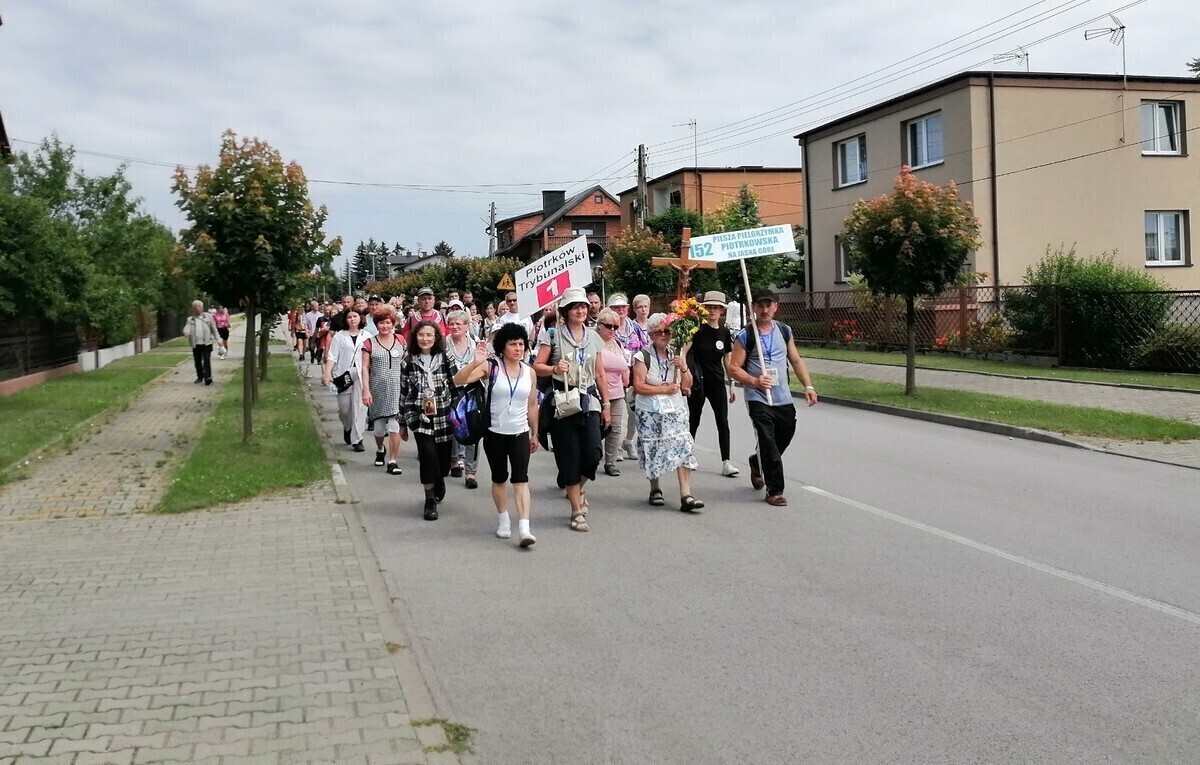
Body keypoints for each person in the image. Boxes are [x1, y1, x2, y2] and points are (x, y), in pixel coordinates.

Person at [728, 289, 819, 507]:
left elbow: (796, 360)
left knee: (785, 434)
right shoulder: (746, 336)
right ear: (754, 308)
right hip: (758, 397)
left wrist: (808, 385)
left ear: (776, 306)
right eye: (760, 305)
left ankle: (757, 462)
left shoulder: (784, 331)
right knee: (768, 441)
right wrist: (755, 381)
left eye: (769, 305)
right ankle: (775, 489)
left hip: (782, 396)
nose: (765, 310)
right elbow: (733, 368)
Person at [454, 322, 539, 546]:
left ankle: (524, 528)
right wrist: (475, 362)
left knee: (521, 480)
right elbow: (458, 380)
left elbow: (532, 404)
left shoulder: (529, 372)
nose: (518, 348)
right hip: (494, 432)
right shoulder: (491, 367)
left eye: (521, 344)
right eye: (513, 344)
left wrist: (535, 432)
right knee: (499, 478)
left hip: (520, 432)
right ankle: (503, 520)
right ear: (503, 346)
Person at [533, 287, 608, 533]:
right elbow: (537, 366)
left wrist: (607, 405)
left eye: (584, 306)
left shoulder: (594, 337)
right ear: (565, 311)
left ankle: (578, 485)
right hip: (564, 402)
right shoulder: (553, 336)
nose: (581, 310)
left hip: (589, 400)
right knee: (570, 456)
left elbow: (599, 373)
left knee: (594, 453)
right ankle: (576, 510)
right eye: (575, 306)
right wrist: (554, 369)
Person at [632, 313, 704, 513]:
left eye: (667, 331)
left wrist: (684, 368)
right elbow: (638, 386)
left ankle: (686, 495)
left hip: (675, 408)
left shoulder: (676, 353)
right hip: (650, 410)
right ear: (652, 335)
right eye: (659, 332)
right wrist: (663, 389)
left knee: (683, 445)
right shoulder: (642, 356)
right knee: (653, 446)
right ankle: (655, 488)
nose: (664, 335)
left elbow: (687, 384)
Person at [399, 321, 456, 521]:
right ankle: (429, 499)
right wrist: (402, 422)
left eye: (429, 335)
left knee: (442, 460)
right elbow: (404, 392)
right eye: (421, 335)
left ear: (436, 338)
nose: (425, 339)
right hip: (419, 416)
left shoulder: (445, 358)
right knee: (427, 456)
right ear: (415, 337)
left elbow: (455, 383)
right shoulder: (408, 361)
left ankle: (439, 479)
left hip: (443, 415)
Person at [687, 291, 739, 477]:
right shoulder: (697, 330)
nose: (712, 311)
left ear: (722, 311)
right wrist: (684, 376)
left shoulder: (724, 333)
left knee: (722, 421)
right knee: (694, 419)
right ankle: (689, 454)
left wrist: (732, 383)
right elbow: (685, 352)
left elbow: (727, 359)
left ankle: (726, 462)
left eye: (716, 307)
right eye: (709, 307)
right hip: (698, 382)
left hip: (717, 382)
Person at [359, 306, 406, 475]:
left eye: (388, 323)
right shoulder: (369, 343)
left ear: (393, 324)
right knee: (379, 429)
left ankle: (393, 460)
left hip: (397, 389)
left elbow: (407, 364)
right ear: (376, 324)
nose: (384, 326)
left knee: (394, 426)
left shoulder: (401, 340)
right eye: (381, 323)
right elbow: (364, 368)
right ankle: (380, 449)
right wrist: (366, 390)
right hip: (377, 389)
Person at [321, 306, 368, 452]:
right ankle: (347, 427)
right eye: (349, 317)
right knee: (344, 409)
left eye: (355, 316)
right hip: (342, 374)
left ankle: (358, 439)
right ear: (345, 320)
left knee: (359, 408)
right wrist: (327, 373)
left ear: (360, 318)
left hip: (361, 374)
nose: (352, 319)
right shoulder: (340, 336)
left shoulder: (367, 336)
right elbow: (333, 356)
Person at [443, 309, 481, 489]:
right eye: (452, 323)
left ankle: (471, 472)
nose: (455, 326)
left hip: (472, 390)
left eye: (459, 323)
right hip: (450, 391)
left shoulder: (475, 345)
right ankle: (453, 460)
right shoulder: (443, 345)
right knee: (453, 427)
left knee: (473, 428)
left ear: (467, 326)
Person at [595, 308, 629, 477]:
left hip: (617, 392)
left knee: (614, 429)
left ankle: (611, 461)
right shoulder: (594, 342)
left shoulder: (617, 344)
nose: (612, 330)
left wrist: (626, 377)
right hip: (597, 393)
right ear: (599, 325)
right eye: (608, 325)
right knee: (596, 429)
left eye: (615, 326)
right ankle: (590, 457)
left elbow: (623, 365)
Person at [621, 294, 654, 461]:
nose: (643, 309)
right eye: (640, 307)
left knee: (649, 409)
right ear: (634, 309)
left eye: (645, 306)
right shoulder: (631, 327)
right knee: (633, 409)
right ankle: (630, 440)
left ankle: (634, 441)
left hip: (651, 370)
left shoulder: (654, 325)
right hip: (635, 369)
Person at [184, 299, 218, 385]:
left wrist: (219, 339)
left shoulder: (209, 317)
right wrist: (186, 332)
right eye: (195, 307)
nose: (197, 308)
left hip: (207, 342)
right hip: (196, 344)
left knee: (206, 359)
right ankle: (200, 376)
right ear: (193, 309)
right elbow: (186, 327)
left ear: (202, 308)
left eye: (199, 306)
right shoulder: (190, 319)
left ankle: (208, 378)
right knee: (197, 361)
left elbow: (214, 329)